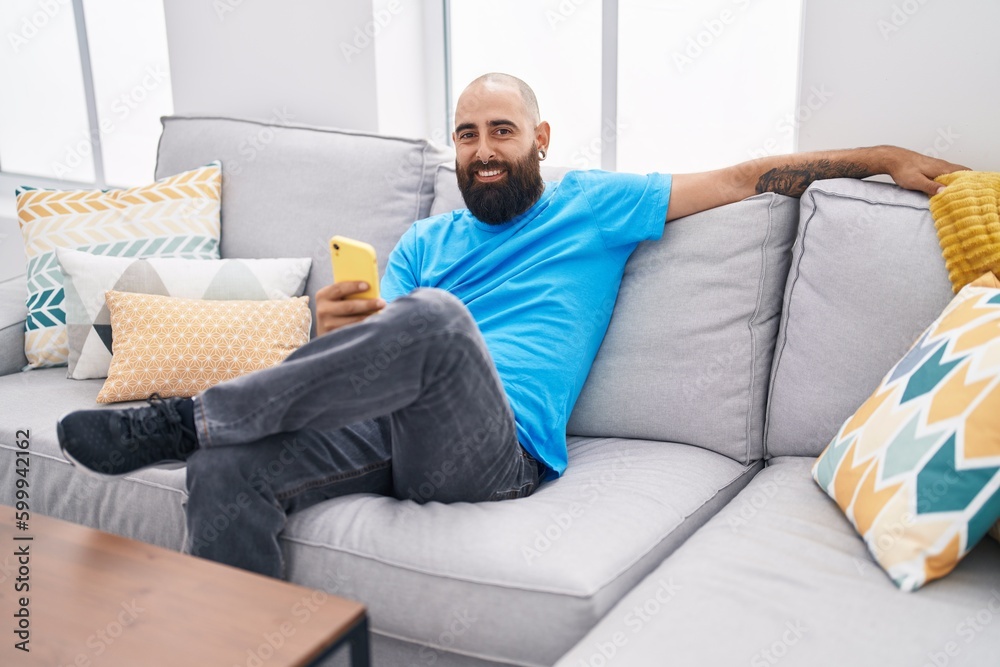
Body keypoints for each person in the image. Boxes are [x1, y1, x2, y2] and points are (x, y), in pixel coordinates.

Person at [56, 73, 968, 578]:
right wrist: (323, 329)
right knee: (224, 471)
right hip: (387, 430)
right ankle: (247, 631)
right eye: (465, 136)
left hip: (498, 452)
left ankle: (186, 414)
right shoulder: (418, 239)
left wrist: (880, 156)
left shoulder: (594, 205)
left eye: (500, 130)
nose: (482, 150)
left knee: (438, 320)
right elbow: (353, 367)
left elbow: (739, 181)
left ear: (538, 138)